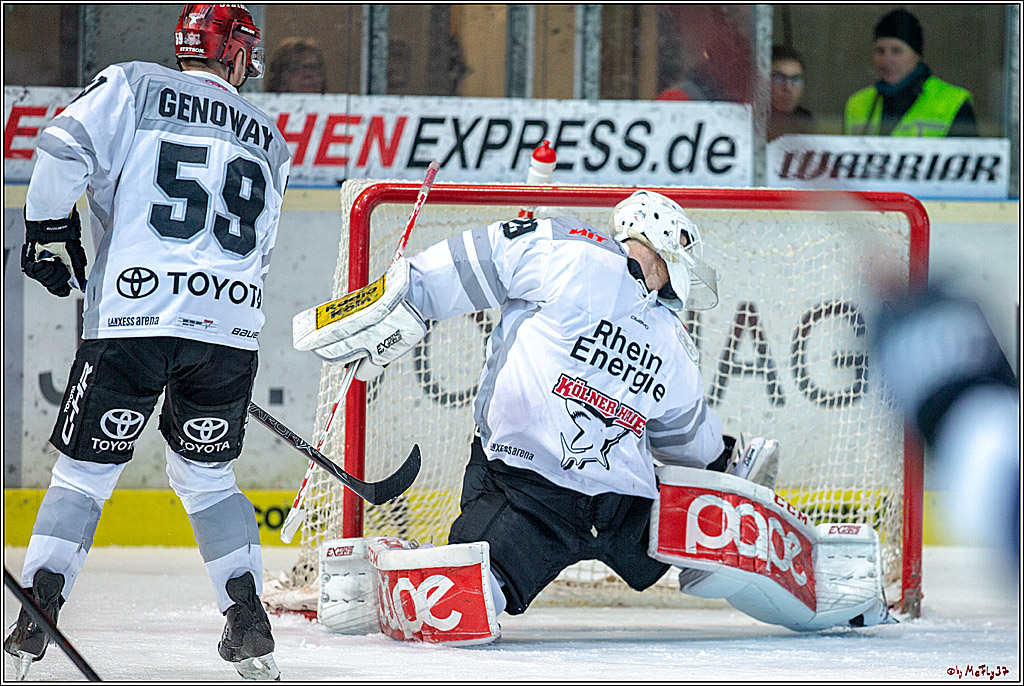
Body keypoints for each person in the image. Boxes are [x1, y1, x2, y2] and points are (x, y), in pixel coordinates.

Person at [299, 190, 894, 634]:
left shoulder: (668, 337)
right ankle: (371, 577)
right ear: (665, 244)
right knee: (469, 602)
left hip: (619, 507)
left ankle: (838, 585)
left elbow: (691, 445)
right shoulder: (568, 252)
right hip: (527, 494)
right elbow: (450, 272)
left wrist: (725, 466)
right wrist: (393, 302)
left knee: (719, 539)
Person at [5, 4, 290, 681]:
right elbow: (263, 251)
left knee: (84, 475)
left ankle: (35, 618)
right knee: (206, 476)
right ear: (238, 55)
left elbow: (59, 148)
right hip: (227, 333)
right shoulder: (271, 137)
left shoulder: (133, 85)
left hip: (131, 324)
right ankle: (248, 620)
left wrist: (48, 228)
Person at [844, 8, 977, 137]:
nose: (886, 59)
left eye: (896, 51)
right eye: (880, 51)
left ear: (917, 55)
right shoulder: (858, 104)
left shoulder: (953, 102)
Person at [768, 45, 815, 141]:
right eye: (779, 78)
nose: (788, 88)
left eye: (796, 80)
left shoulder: (807, 122)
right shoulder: (748, 120)